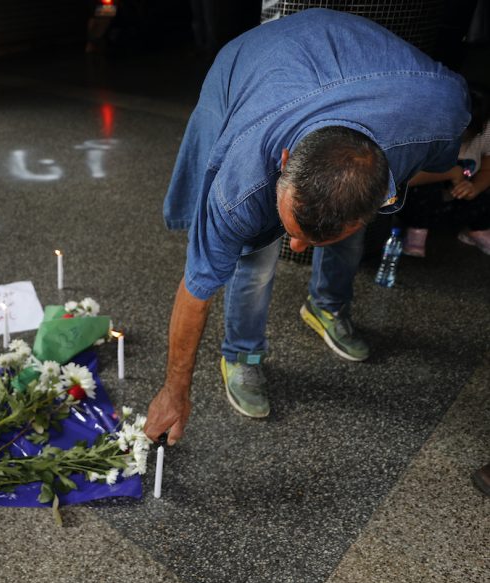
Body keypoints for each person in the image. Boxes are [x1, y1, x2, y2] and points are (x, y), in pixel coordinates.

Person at [144, 8, 470, 443]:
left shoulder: (441, 111)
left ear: (382, 192)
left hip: (365, 68)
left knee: (344, 232)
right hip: (251, 62)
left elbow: (420, 172)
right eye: (292, 228)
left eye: (306, 238)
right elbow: (197, 287)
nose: (295, 247)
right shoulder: (242, 183)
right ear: (284, 162)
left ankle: (327, 304)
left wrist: (459, 176)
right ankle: (243, 354)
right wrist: (174, 391)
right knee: (253, 257)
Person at [402, 85, 490, 257]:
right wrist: (451, 173)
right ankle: (417, 230)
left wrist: (475, 187)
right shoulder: (427, 131)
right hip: (418, 202)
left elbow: (487, 169)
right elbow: (406, 178)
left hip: (457, 201)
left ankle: (477, 229)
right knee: (424, 189)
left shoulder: (485, 131)